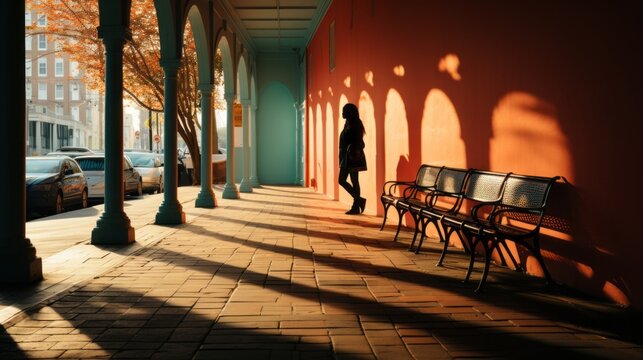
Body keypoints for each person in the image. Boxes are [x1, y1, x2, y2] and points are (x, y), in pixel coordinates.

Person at [338, 103, 367, 215]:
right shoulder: (348, 124)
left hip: (352, 158)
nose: (342, 113)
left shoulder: (355, 125)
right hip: (346, 158)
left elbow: (360, 143)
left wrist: (351, 149)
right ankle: (359, 201)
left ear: (349, 113)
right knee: (349, 181)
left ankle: (357, 204)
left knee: (349, 180)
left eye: (344, 111)